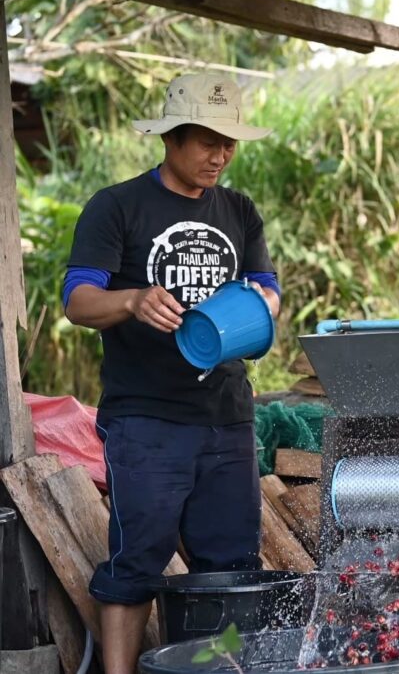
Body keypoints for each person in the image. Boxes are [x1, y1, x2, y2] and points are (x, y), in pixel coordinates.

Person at [63, 73, 281, 674]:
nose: (221, 154)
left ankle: (221, 668)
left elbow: (267, 289)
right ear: (171, 138)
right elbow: (79, 300)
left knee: (232, 563)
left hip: (227, 416)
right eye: (208, 140)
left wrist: (260, 310)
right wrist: (133, 301)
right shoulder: (117, 206)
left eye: (230, 141)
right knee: (137, 560)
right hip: (145, 418)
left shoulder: (239, 209)